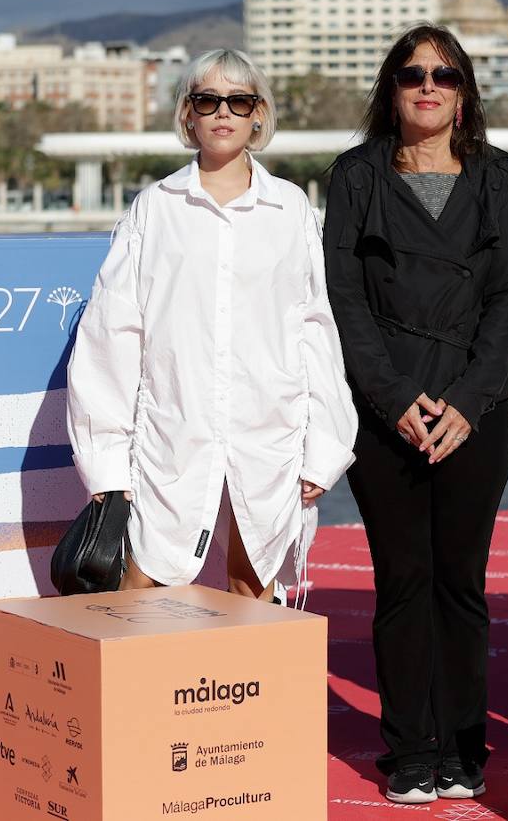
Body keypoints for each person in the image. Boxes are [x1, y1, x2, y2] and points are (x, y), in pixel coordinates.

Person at [66, 48, 357, 601]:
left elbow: (314, 328)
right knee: (142, 588)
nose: (223, 112)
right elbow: (113, 332)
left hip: (270, 431)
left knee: (254, 589)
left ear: (258, 115)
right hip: (172, 433)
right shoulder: (154, 209)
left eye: (239, 100)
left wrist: (325, 445)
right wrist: (106, 462)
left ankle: (250, 689)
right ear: (188, 115)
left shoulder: (290, 209)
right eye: (207, 100)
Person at [323, 24, 508, 805]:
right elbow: (343, 300)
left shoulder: (497, 177)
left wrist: (468, 403)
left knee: (460, 584)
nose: (428, 86)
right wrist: (396, 399)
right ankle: (410, 750)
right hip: (386, 414)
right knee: (403, 582)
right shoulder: (356, 176)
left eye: (444, 74)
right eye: (412, 74)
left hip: (476, 410)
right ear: (392, 87)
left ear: (465, 90)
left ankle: (463, 749)